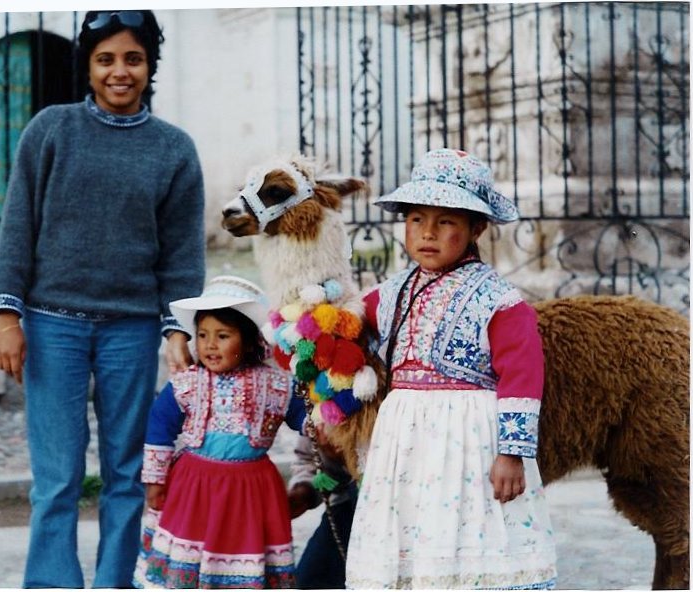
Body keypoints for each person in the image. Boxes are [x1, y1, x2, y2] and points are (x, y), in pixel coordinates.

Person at [0, 10, 205, 588]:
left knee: (128, 472)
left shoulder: (174, 150)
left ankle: (116, 581)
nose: (119, 72)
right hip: (50, 325)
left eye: (133, 59)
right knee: (56, 477)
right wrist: (8, 315)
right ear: (87, 65)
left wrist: (177, 328)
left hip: (129, 331)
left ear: (149, 66)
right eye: (106, 58)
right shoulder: (49, 131)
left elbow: (182, 256)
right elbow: (17, 229)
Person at [345, 148, 558, 589]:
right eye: (416, 219)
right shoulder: (391, 293)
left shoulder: (498, 300)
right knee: (410, 534)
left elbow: (522, 375)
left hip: (469, 443)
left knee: (466, 534)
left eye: (445, 222)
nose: (428, 233)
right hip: (404, 441)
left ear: (476, 228)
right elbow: (345, 329)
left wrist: (511, 452)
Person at [132, 275, 305, 589]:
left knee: (244, 553)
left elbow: (305, 418)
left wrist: (332, 418)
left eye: (222, 335)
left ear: (251, 341)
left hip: (251, 491)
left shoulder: (276, 384)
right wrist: (155, 481)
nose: (210, 344)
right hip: (194, 487)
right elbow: (159, 426)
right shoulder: (188, 383)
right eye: (202, 335)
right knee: (191, 556)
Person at [287, 433, 357, 589]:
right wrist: (305, 490)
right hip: (344, 506)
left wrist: (347, 459)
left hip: (391, 512)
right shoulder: (316, 411)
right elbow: (309, 460)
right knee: (308, 582)